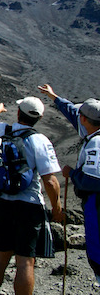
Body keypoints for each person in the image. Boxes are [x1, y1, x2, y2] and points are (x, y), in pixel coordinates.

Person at [0, 97, 63, 295]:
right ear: (39, 118)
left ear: (18, 113)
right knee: (25, 262)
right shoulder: (40, 140)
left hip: (2, 202)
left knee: (0, 258)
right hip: (29, 205)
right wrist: (57, 208)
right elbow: (50, 181)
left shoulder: (1, 131)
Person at [38, 84, 100, 283]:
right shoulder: (92, 128)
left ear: (85, 120)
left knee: (98, 254)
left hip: (97, 204)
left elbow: (93, 181)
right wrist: (55, 97)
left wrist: (72, 174)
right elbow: (73, 112)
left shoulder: (96, 144)